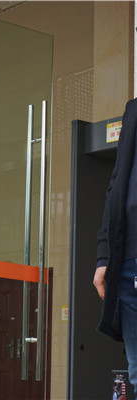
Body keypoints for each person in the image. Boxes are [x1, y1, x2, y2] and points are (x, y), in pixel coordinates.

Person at [93, 98, 137, 397]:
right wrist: (104, 256)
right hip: (128, 264)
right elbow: (116, 186)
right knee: (136, 373)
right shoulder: (134, 110)